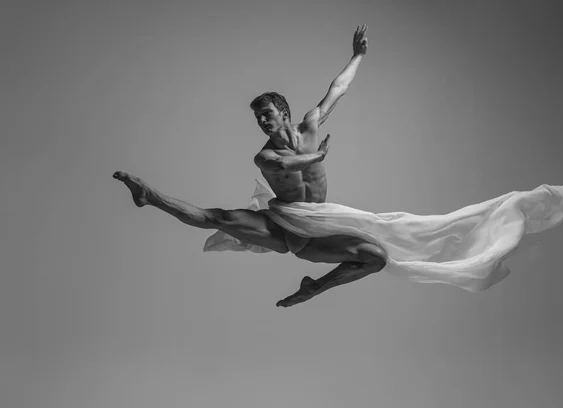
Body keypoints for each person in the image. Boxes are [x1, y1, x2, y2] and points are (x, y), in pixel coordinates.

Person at [113, 25, 386, 308]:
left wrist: (357, 56)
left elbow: (338, 89)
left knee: (376, 257)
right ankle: (149, 196)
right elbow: (283, 164)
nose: (262, 121)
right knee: (217, 218)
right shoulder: (264, 157)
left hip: (319, 230)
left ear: (283, 112)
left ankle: (313, 288)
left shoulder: (310, 125)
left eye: (266, 114)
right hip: (287, 228)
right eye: (257, 118)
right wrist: (317, 157)